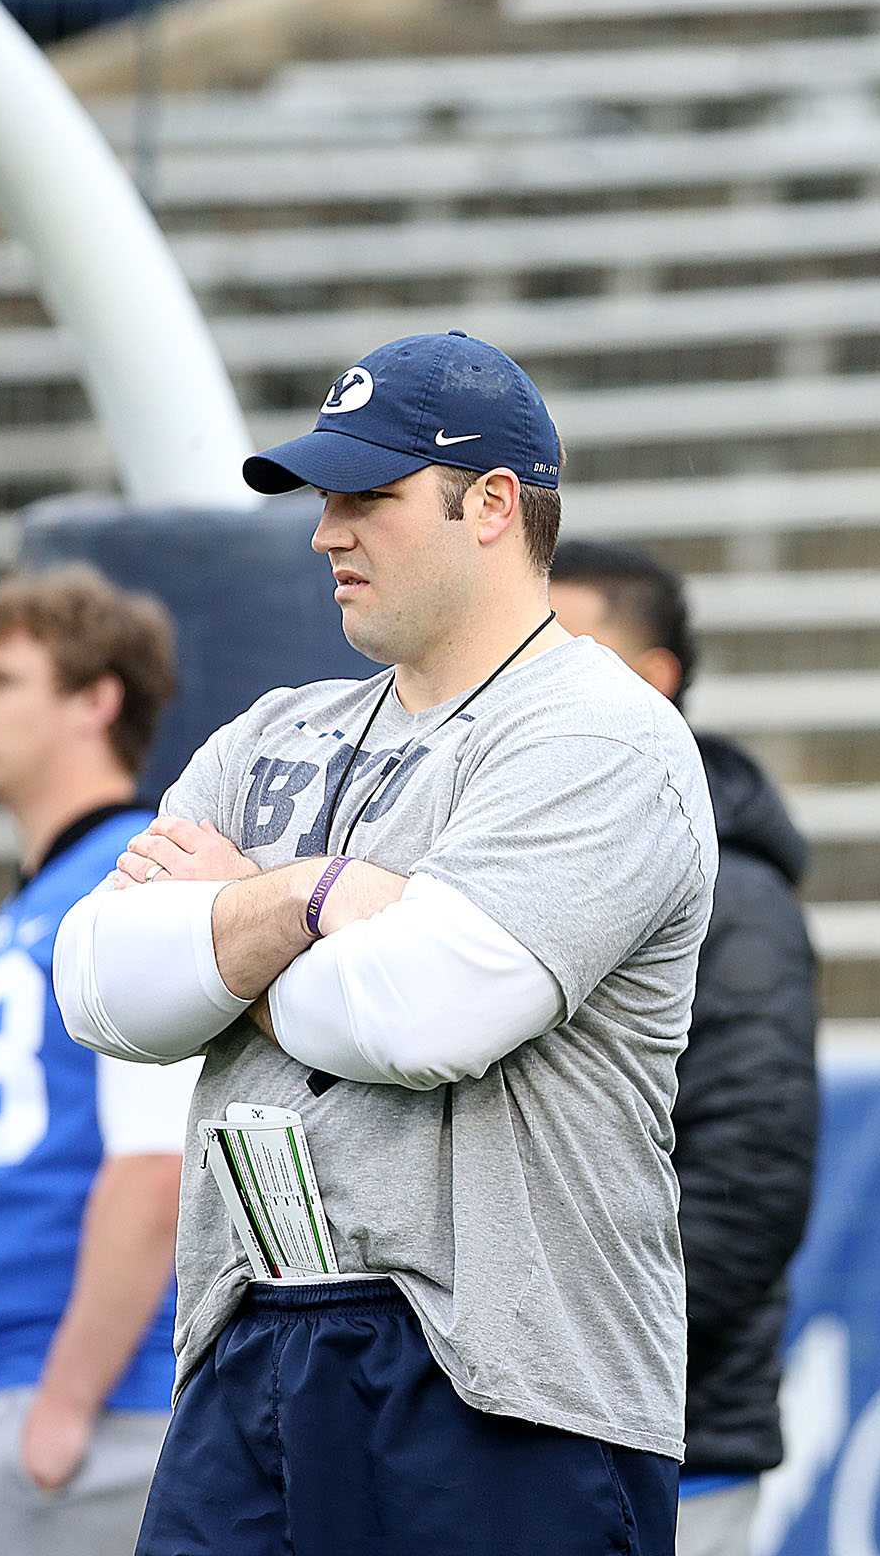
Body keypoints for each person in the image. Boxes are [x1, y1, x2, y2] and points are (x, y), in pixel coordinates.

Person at [51, 331, 718, 1556]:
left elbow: (423, 1015)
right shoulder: (270, 731)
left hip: (508, 1383)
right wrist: (304, 895)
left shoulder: (600, 731)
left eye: (369, 496)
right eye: (323, 499)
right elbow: (98, 984)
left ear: (494, 506)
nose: (326, 532)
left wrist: (225, 931)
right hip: (251, 1341)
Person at [549, 539, 822, 1556]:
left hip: (661, 1440)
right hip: (522, 1425)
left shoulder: (736, 894)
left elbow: (750, 1179)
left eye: (567, 650)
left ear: (655, 679)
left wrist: (582, 1367)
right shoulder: (521, 856)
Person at [0, 567, 193, 1556]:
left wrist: (66, 1401)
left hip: (82, 1400)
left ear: (94, 700)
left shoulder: (136, 877)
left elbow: (158, 1163)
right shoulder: (47, 891)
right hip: (1, 1379)